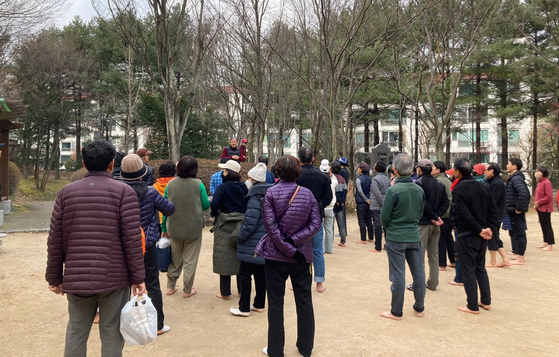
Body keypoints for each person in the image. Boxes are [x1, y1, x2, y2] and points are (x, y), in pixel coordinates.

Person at [46, 140, 146, 357]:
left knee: (76, 330)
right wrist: (138, 277)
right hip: (114, 277)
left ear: (83, 163)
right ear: (112, 164)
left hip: (76, 275)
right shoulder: (124, 192)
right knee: (111, 331)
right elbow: (132, 239)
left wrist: (54, 277)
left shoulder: (66, 193)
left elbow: (55, 239)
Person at [254, 155, 321, 357]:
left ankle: (275, 350)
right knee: (304, 301)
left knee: (275, 303)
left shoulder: (270, 193)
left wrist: (288, 244)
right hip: (301, 256)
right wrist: (295, 245)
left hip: (275, 257)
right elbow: (315, 224)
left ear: (277, 171)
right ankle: (305, 347)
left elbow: (271, 229)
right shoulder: (308, 195)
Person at [120, 154, 176, 334]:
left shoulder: (117, 190)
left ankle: (120, 323)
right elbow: (169, 209)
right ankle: (158, 324)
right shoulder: (151, 191)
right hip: (147, 243)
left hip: (122, 244)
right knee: (152, 283)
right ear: (144, 171)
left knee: (122, 284)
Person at [379, 154, 426, 320]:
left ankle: (396, 311)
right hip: (414, 234)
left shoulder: (393, 190)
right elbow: (420, 212)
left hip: (396, 236)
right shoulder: (419, 189)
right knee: (418, 273)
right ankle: (419, 307)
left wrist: (389, 227)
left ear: (395, 170)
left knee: (398, 275)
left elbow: (384, 216)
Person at [450, 158, 497, 314]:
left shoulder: (458, 189)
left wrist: (479, 230)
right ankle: (486, 300)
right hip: (482, 234)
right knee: (479, 267)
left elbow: (464, 213)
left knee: (468, 269)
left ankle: (472, 305)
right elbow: (493, 209)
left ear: (458, 171)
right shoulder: (482, 185)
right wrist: (488, 228)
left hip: (468, 233)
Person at [163, 156, 210, 298]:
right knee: (190, 259)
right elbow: (206, 204)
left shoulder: (170, 184)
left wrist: (164, 228)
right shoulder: (198, 184)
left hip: (174, 226)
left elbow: (164, 208)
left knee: (175, 257)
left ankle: (170, 286)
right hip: (193, 228)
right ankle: (187, 289)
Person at [231, 163, 273, 317]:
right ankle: (259, 304)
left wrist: (240, 237)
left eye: (249, 177)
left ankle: (244, 307)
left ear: (254, 179)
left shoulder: (255, 197)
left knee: (245, 274)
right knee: (261, 275)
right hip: (265, 242)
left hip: (251, 243)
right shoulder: (271, 194)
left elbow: (250, 222)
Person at [408, 159, 448, 292]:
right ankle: (433, 282)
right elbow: (445, 203)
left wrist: (433, 216)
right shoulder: (439, 183)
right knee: (433, 253)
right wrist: (437, 216)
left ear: (419, 169)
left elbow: (423, 204)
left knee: (419, 254)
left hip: (423, 223)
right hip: (436, 224)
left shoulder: (418, 184)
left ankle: (418, 283)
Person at [297, 147, 332, 293]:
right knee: (317, 250)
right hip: (316, 216)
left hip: (298, 216)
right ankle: (319, 283)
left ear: (299, 159)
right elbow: (328, 197)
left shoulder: (296, 175)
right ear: (313, 159)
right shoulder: (323, 176)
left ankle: (298, 281)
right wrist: (317, 206)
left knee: (298, 249)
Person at [211, 159, 248, 299]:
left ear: (229, 172)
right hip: (240, 225)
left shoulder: (222, 188)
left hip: (224, 225)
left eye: (225, 170)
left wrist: (215, 214)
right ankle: (241, 291)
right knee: (240, 258)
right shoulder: (243, 186)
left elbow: (214, 204)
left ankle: (225, 292)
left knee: (223, 257)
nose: (223, 172)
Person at [484, 163, 511, 267]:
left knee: (492, 236)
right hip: (496, 214)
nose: (485, 172)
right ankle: (505, 259)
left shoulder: (497, 183)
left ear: (492, 171)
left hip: (495, 215)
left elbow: (492, 201)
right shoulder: (494, 182)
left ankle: (493, 261)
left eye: (486, 169)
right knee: (495, 236)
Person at [505, 158, 530, 265]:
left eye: (508, 164)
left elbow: (524, 194)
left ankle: (520, 257)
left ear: (514, 166)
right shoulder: (514, 178)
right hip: (512, 210)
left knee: (519, 233)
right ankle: (518, 253)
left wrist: (519, 208)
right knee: (516, 232)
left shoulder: (516, 179)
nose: (506, 166)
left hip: (516, 211)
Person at [432, 161, 455, 270]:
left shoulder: (437, 181)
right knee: (449, 237)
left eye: (433, 167)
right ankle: (453, 260)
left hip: (443, 213)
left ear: (438, 170)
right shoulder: (447, 180)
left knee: (441, 239)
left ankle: (442, 263)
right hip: (450, 213)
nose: (431, 169)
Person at [370, 160, 390, 252]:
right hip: (386, 204)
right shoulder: (387, 178)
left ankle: (377, 246)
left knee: (377, 225)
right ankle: (387, 245)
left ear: (376, 168)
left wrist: (382, 203)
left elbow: (376, 192)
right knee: (386, 225)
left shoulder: (375, 179)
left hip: (376, 205)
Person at [534, 165, 555, 251]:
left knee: (547, 225)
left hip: (545, 208)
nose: (536, 172)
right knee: (543, 225)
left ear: (543, 172)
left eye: (538, 171)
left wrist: (539, 202)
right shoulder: (540, 182)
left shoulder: (547, 182)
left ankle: (550, 244)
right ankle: (545, 242)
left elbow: (549, 196)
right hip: (540, 207)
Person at [320, 159, 337, 254]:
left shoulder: (319, 180)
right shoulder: (334, 181)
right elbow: (334, 178)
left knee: (321, 229)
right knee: (329, 229)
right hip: (330, 207)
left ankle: (322, 249)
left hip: (322, 207)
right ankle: (329, 249)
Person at [355, 162, 374, 244]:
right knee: (369, 220)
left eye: (359, 168)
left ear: (361, 170)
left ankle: (363, 238)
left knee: (361, 220)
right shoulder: (370, 179)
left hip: (361, 201)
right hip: (369, 201)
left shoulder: (358, 179)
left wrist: (365, 199)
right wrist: (369, 199)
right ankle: (371, 237)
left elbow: (359, 191)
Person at [331, 161, 348, 247]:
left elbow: (332, 192)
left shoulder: (331, 179)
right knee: (341, 223)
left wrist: (336, 201)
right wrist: (341, 201)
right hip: (340, 204)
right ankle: (343, 241)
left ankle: (330, 242)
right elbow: (345, 190)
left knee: (331, 224)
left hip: (333, 203)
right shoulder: (342, 179)